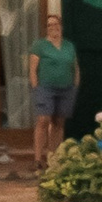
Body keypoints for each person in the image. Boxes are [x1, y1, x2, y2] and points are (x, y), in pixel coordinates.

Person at [27, 13, 78, 164]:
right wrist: (36, 87)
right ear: (46, 29)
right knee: (43, 120)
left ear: (60, 26)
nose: (53, 27)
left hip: (66, 89)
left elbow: (75, 67)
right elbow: (33, 69)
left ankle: (54, 157)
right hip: (45, 88)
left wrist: (74, 86)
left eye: (55, 24)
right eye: (49, 25)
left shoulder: (69, 46)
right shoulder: (40, 46)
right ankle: (37, 158)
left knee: (58, 122)